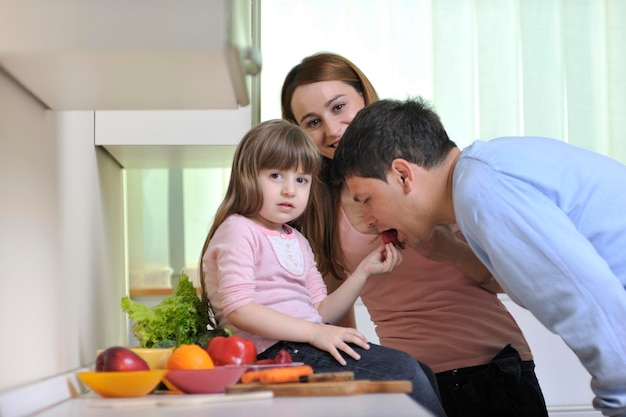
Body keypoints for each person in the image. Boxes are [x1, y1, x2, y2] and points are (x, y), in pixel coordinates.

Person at [281, 52, 548, 417]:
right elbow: (334, 313)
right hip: (410, 380)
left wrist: (444, 247)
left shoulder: (425, 168)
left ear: (364, 98)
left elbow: (502, 280)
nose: (331, 129)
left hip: (495, 367)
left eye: (339, 106)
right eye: (313, 121)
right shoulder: (317, 210)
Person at [331, 96, 626, 417]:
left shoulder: (482, 192)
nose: (369, 220)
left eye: (367, 199)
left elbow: (588, 305)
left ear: (402, 175)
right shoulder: (481, 175)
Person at [198, 119, 447, 417]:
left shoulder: (297, 240)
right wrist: (316, 334)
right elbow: (240, 308)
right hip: (270, 354)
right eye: (276, 175)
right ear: (247, 177)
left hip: (303, 344)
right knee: (404, 371)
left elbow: (320, 310)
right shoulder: (239, 230)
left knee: (420, 371)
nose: (290, 190)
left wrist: (364, 271)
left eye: (301, 180)